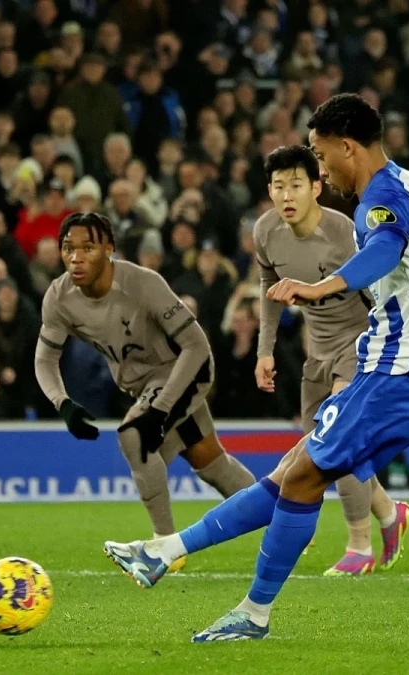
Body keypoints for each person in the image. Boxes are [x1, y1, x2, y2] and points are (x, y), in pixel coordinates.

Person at [104, 94, 409, 642]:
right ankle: (165, 552)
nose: (319, 167)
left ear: (347, 146)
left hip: (406, 366)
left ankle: (253, 612)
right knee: (296, 470)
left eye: (319, 153)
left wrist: (320, 286)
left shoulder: (379, 198)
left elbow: (383, 251)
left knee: (306, 475)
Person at [33, 211, 255, 574]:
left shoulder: (143, 283)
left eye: (87, 247)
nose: (76, 257)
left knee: (134, 436)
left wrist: (159, 409)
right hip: (143, 386)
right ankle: (286, 517)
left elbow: (197, 347)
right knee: (210, 462)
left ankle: (164, 549)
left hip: (187, 370)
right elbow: (44, 358)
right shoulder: (59, 297)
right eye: (68, 248)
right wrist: (63, 404)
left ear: (109, 248)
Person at [253, 145, 409, 577]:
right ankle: (388, 511)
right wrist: (265, 350)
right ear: (269, 191)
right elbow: (269, 286)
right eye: (279, 186)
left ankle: (358, 545)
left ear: (317, 188)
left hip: (361, 344)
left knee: (336, 436)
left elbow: (382, 292)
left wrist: (390, 353)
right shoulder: (266, 231)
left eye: (296, 185)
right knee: (322, 454)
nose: (287, 195)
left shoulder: (346, 232)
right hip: (316, 351)